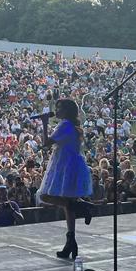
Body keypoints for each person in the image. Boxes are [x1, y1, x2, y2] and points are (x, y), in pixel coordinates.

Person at [36, 98, 94, 260]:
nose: (57, 110)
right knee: (68, 206)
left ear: (67, 111)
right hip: (71, 164)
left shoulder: (65, 125)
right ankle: (71, 241)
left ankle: (82, 206)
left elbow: (46, 143)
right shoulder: (72, 126)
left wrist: (44, 123)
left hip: (64, 165)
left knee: (45, 195)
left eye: (60, 107)